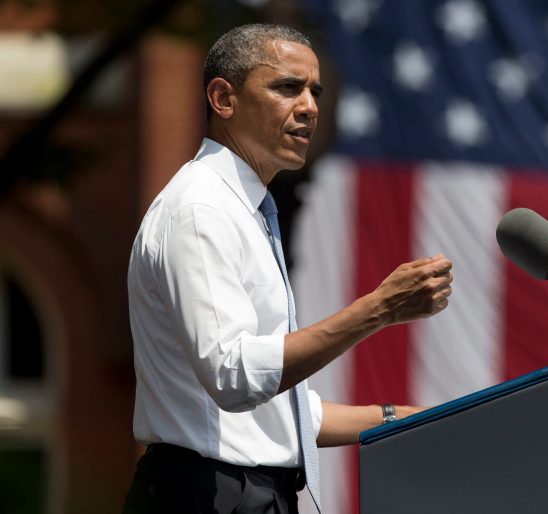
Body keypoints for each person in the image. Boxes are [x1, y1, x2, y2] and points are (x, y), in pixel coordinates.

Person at [122, 23, 453, 514]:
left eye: (314, 91)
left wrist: (396, 417)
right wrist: (378, 309)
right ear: (223, 98)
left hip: (234, 494)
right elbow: (235, 376)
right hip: (207, 496)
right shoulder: (201, 210)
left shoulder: (244, 210)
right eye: (286, 87)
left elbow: (272, 413)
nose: (310, 106)